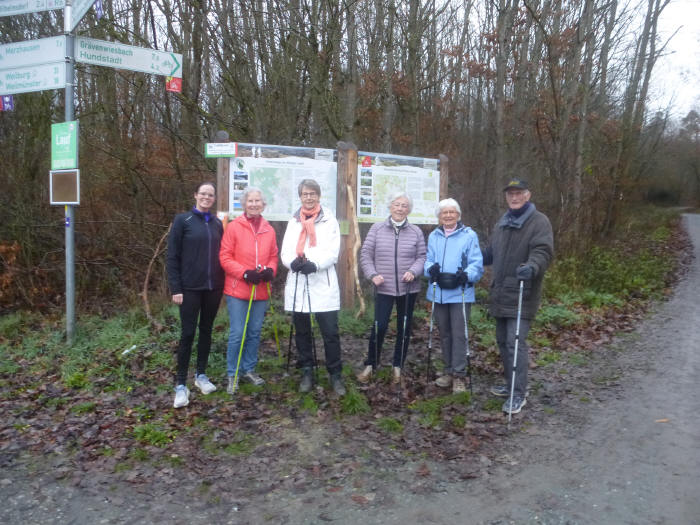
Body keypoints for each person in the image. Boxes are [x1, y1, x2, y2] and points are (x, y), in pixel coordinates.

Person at [482, 179, 554, 415]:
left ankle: (519, 393)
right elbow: (491, 252)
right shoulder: (502, 222)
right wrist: (473, 257)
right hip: (500, 292)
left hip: (523, 292)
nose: (514, 197)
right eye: (510, 194)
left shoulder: (539, 222)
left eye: (518, 193)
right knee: (503, 341)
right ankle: (510, 384)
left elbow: (543, 251)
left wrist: (532, 267)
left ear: (527, 195)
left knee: (515, 343)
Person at [280, 179, 346, 396]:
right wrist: (293, 263)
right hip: (299, 282)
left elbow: (333, 252)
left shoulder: (329, 220)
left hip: (323, 283)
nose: (309, 197)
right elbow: (286, 251)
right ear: (300, 197)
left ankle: (335, 374)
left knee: (330, 333)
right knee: (302, 332)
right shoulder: (293, 221)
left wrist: (315, 264)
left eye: (312, 193)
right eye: (305, 194)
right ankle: (306, 371)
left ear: (319, 196)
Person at [166, 182, 225, 408]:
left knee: (206, 331)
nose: (206, 198)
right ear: (195, 196)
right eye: (203, 194)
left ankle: (201, 375)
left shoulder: (217, 224)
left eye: (210, 195)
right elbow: (172, 256)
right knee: (188, 333)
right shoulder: (183, 221)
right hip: (189, 288)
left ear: (214, 199)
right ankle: (181, 384)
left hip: (213, 288)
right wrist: (176, 288)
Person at [357, 192, 426, 384]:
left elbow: (422, 257)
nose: (400, 208)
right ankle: (371, 364)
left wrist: (413, 271)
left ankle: (397, 366)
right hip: (383, 287)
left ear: (409, 210)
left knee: (404, 328)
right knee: (379, 326)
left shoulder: (416, 231)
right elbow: (366, 255)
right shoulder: (377, 229)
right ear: (390, 206)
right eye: (397, 204)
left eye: (404, 205)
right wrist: (372, 274)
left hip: (408, 288)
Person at [219, 187, 278, 394]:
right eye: (250, 201)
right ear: (244, 204)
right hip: (238, 290)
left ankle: (248, 369)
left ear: (263, 204)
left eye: (257, 201)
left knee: (254, 332)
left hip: (260, 289)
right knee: (238, 333)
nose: (254, 204)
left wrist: (270, 270)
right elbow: (225, 257)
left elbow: (273, 256)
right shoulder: (234, 227)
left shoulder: (269, 229)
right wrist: (244, 273)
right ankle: (232, 373)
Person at [424, 198, 483, 393]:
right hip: (439, 292)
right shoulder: (434, 236)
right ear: (439, 216)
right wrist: (430, 269)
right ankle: (448, 370)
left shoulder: (469, 235)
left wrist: (467, 275)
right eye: (444, 212)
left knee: (459, 334)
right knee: (445, 333)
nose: (448, 215)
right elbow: (428, 259)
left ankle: (459, 375)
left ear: (458, 215)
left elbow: (476, 263)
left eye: (452, 212)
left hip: (460, 292)